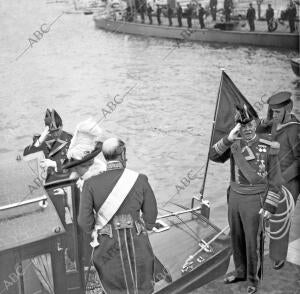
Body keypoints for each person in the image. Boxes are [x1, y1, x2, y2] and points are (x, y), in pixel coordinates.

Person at [209, 105, 282, 294]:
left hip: (254, 199)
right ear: (238, 128)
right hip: (234, 198)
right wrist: (228, 138)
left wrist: (269, 204)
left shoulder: (269, 147)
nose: (247, 129)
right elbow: (213, 156)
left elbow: (276, 180)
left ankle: (252, 279)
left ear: (256, 123)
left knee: (252, 241)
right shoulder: (234, 143)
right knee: (236, 237)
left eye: (250, 124)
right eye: (243, 126)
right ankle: (240, 271)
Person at [78, 138, 165, 293]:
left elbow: (84, 223)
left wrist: (98, 230)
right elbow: (151, 216)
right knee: (142, 286)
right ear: (122, 153)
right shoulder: (140, 179)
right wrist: (146, 226)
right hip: (138, 244)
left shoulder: (90, 184)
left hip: (107, 248)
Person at [257, 91, 300, 270]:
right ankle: (258, 247)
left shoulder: (295, 129)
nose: (274, 115)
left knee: (279, 219)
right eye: (272, 111)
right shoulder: (276, 122)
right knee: (261, 211)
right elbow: (262, 127)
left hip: (288, 181)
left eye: (277, 112)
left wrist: (283, 179)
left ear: (287, 110)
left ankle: (278, 256)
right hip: (273, 175)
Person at [23, 108, 72, 183]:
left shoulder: (70, 139)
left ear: (62, 126)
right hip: (49, 181)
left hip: (67, 178)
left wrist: (55, 164)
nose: (54, 134)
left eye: (57, 130)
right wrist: (42, 137)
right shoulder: (43, 140)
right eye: (52, 132)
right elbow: (27, 155)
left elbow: (76, 160)